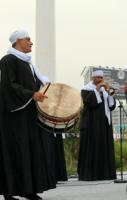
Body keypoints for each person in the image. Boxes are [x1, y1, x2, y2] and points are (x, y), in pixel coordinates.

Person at [0, 30, 56, 200]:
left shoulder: (27, 63)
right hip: (13, 116)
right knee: (14, 150)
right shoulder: (8, 60)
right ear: (18, 41)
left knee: (29, 150)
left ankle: (28, 189)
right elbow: (9, 86)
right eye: (28, 39)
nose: (31, 42)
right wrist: (31, 94)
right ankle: (9, 191)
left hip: (27, 114)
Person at [77, 70, 117, 181]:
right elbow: (90, 102)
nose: (100, 80)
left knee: (105, 147)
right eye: (97, 77)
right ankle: (92, 175)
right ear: (92, 78)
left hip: (104, 124)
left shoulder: (105, 91)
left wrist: (109, 93)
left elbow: (111, 106)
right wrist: (97, 89)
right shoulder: (86, 89)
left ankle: (106, 174)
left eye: (101, 78)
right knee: (93, 148)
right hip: (91, 125)